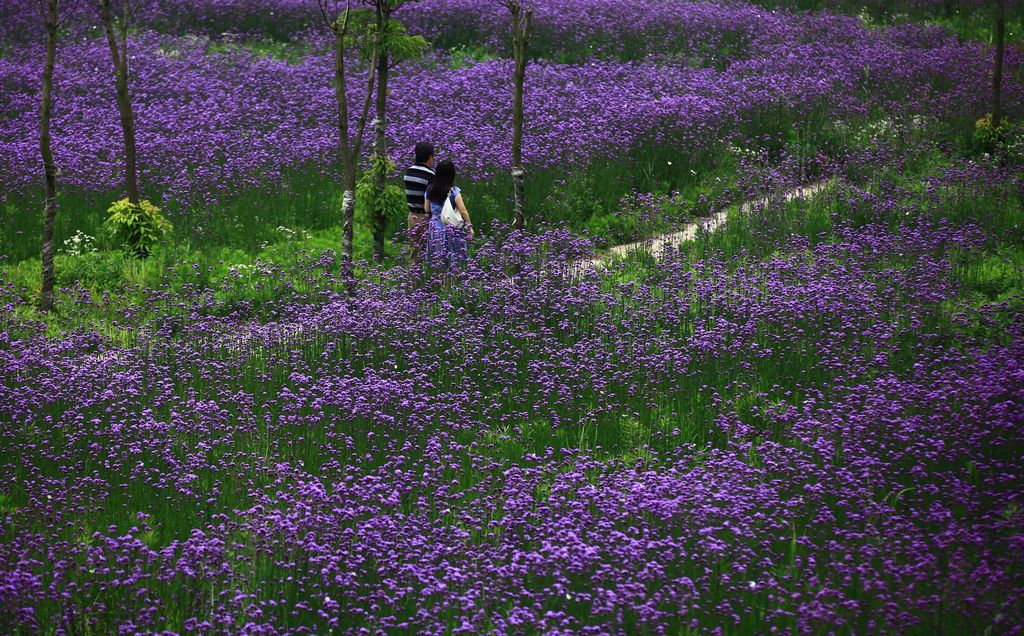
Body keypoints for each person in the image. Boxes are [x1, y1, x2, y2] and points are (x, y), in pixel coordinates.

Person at [424, 159, 474, 270]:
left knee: (437, 255)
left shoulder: (430, 189)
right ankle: (455, 279)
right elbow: (463, 210)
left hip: (435, 227)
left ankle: (438, 278)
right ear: (452, 174)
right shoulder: (454, 191)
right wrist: (469, 226)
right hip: (451, 226)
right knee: (454, 255)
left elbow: (426, 209)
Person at [404, 142, 435, 264]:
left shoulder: (408, 172)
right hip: (425, 217)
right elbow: (432, 198)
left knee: (414, 251)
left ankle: (412, 279)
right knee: (427, 252)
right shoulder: (430, 175)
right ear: (430, 157)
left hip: (411, 216)